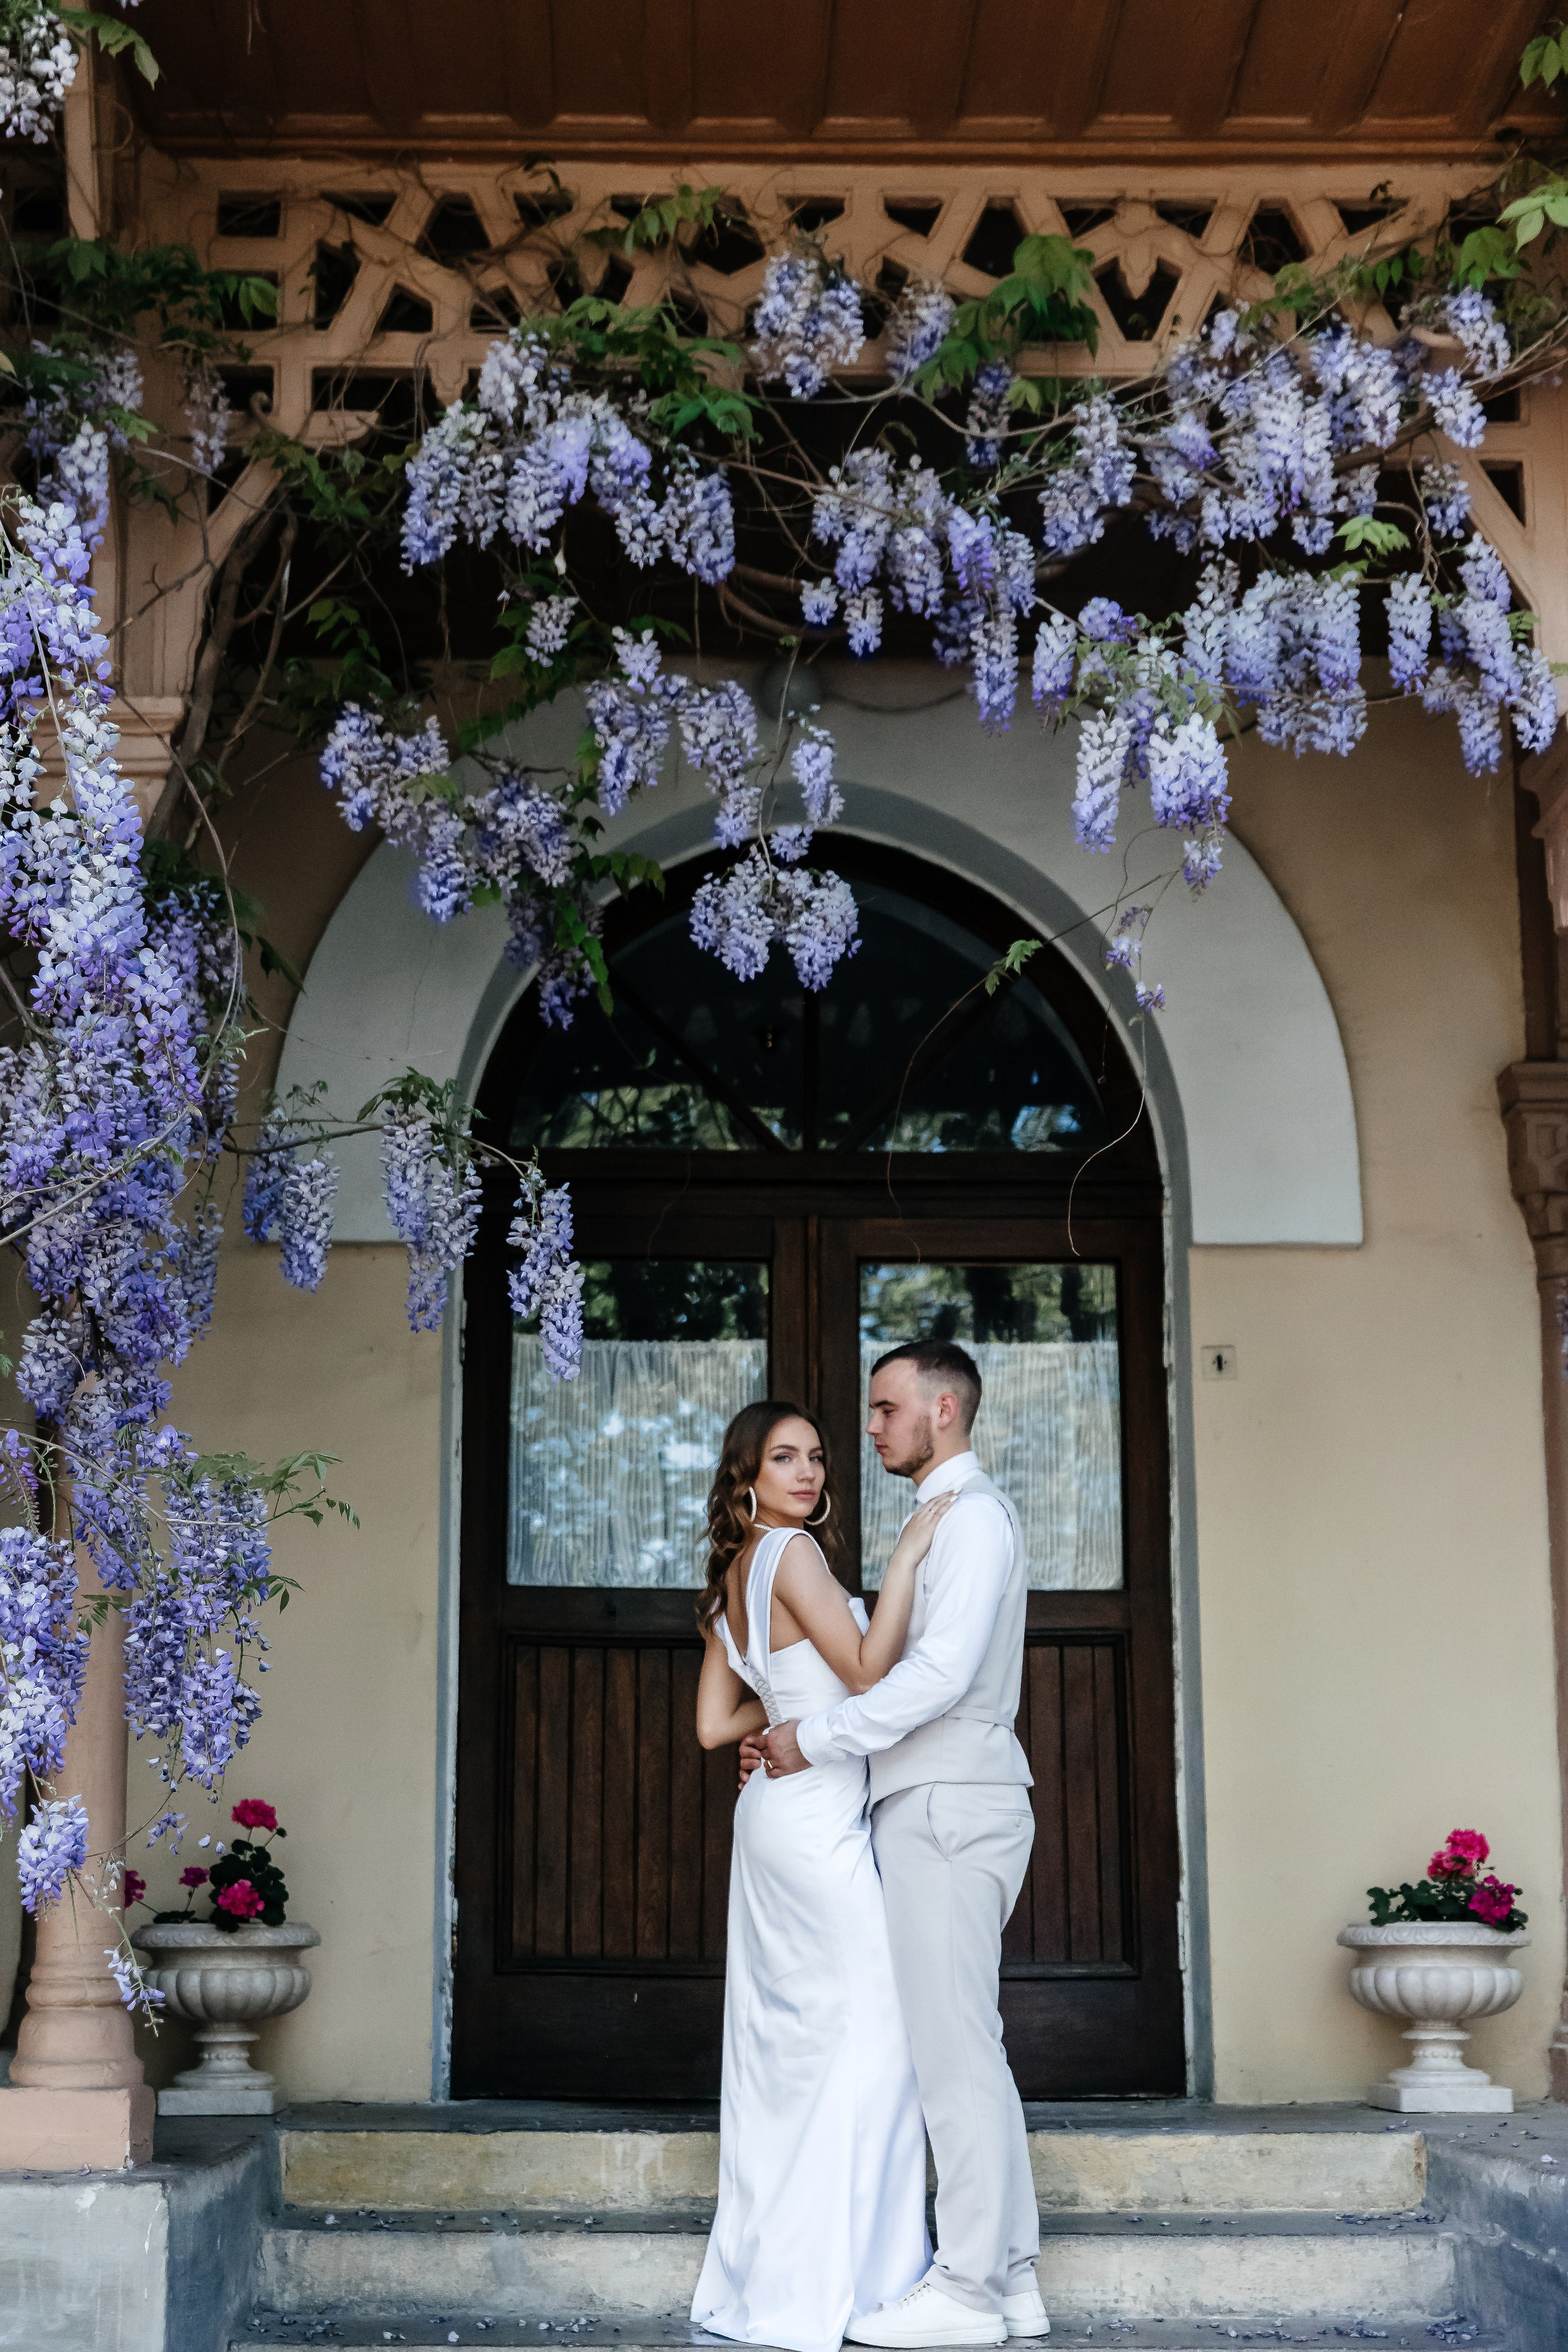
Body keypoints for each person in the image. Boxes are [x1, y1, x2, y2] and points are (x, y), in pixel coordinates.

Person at [752, 1342, 1047, 2351]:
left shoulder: (970, 1521)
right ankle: (1010, 2277)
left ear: (946, 1409)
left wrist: (812, 1739)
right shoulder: (943, 1524)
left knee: (951, 2055)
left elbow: (937, 1678)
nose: (869, 1429)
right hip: (940, 1801)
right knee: (973, 2048)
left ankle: (965, 2289)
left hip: (948, 1806)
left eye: (886, 1410)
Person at [690, 1398, 956, 2352]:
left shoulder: (736, 1570)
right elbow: (868, 1672)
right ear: (748, 1475)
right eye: (784, 1458)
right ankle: (862, 2282)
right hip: (813, 1823)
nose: (808, 1473)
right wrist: (905, 1562)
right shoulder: (794, 1557)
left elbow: (714, 1727)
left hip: (775, 1815)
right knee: (875, 2031)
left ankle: (797, 2266)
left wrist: (775, 1721)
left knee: (795, 2043)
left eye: (816, 1458)